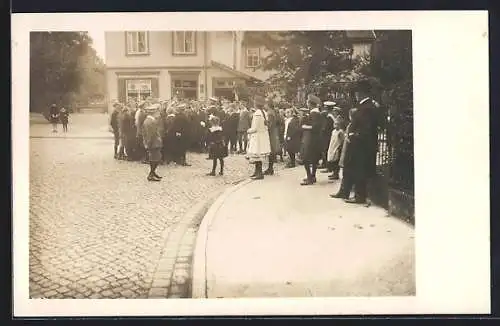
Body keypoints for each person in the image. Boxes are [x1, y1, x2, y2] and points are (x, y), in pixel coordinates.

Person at [300, 95, 324, 186]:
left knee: (306, 158)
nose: (307, 104)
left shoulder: (314, 114)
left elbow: (315, 127)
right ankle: (312, 176)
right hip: (316, 139)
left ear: (310, 104)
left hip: (311, 140)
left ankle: (310, 177)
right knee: (314, 159)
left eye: (307, 102)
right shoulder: (316, 113)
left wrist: (304, 126)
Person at [246, 95, 271, 180]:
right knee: (257, 155)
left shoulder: (257, 113)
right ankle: (257, 172)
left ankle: (259, 173)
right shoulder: (264, 112)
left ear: (256, 104)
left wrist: (248, 130)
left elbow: (255, 128)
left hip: (257, 137)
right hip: (263, 135)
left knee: (257, 155)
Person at [142, 104, 164, 182]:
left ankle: (153, 173)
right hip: (153, 143)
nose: (158, 113)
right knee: (154, 158)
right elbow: (149, 135)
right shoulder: (149, 121)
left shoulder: (151, 120)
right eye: (157, 111)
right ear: (153, 113)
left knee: (156, 158)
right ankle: (151, 174)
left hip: (155, 142)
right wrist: (148, 144)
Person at [263, 102, 281, 175]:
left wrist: (265, 122)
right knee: (272, 151)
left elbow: (270, 125)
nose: (264, 106)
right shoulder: (273, 112)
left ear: (268, 105)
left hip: (271, 133)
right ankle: (270, 168)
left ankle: (270, 169)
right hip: (274, 132)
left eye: (265, 104)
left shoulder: (270, 113)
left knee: (271, 151)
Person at [319, 101, 337, 172]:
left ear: (327, 108)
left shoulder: (329, 117)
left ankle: (328, 167)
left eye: (325, 107)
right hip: (329, 135)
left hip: (328, 136)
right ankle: (326, 165)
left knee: (327, 150)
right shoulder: (331, 115)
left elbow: (326, 127)